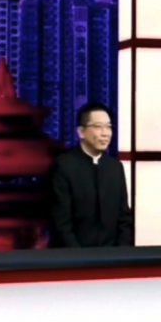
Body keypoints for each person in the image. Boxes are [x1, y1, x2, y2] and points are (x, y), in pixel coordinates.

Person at [50, 102, 132, 248]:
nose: (105, 133)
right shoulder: (64, 166)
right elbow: (61, 223)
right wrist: (80, 257)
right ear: (81, 132)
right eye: (98, 126)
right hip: (74, 255)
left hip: (112, 255)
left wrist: (120, 252)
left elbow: (124, 218)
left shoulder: (114, 167)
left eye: (108, 127)